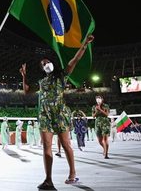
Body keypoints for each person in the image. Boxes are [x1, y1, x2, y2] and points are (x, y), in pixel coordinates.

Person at [20, 34, 94, 189]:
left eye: (47, 62)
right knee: (47, 146)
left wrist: (85, 44)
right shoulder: (41, 82)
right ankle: (48, 180)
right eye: (43, 64)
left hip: (60, 113)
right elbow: (26, 91)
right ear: (42, 69)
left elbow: (75, 60)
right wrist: (24, 76)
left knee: (66, 144)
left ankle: (72, 174)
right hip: (45, 115)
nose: (46, 64)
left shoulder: (61, 76)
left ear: (52, 63)